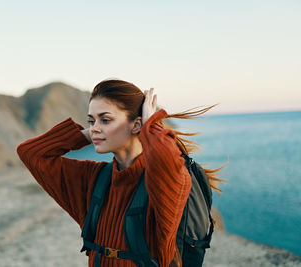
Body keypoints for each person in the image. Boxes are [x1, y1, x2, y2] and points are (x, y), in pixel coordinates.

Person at [16, 79, 222, 267]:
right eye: (91, 121)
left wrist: (151, 125)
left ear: (137, 125)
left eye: (105, 119)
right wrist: (92, 133)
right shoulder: (94, 178)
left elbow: (165, 160)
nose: (95, 127)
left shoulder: (168, 181)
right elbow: (32, 154)